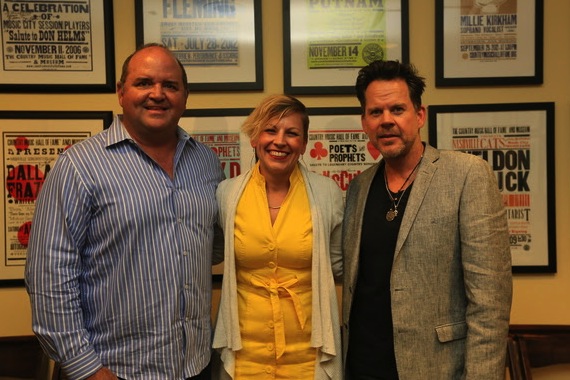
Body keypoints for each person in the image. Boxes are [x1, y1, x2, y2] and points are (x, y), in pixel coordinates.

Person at [25, 44, 224, 380]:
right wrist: (85, 368)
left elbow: (214, 247)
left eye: (170, 85)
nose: (157, 94)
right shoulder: (79, 166)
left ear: (185, 96)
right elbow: (49, 276)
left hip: (196, 365)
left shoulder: (205, 162)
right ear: (120, 92)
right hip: (115, 371)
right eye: (144, 83)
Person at [342, 60, 512, 379]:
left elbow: (490, 303)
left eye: (397, 109)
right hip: (362, 367)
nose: (387, 120)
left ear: (419, 115)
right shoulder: (358, 187)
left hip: (437, 368)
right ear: (364, 122)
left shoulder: (467, 175)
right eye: (376, 112)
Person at [212, 95, 344, 379]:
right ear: (254, 138)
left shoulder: (327, 194)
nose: (280, 141)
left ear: (304, 144)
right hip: (244, 358)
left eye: (292, 133)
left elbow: (337, 266)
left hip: (309, 359)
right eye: (270, 130)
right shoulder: (226, 194)